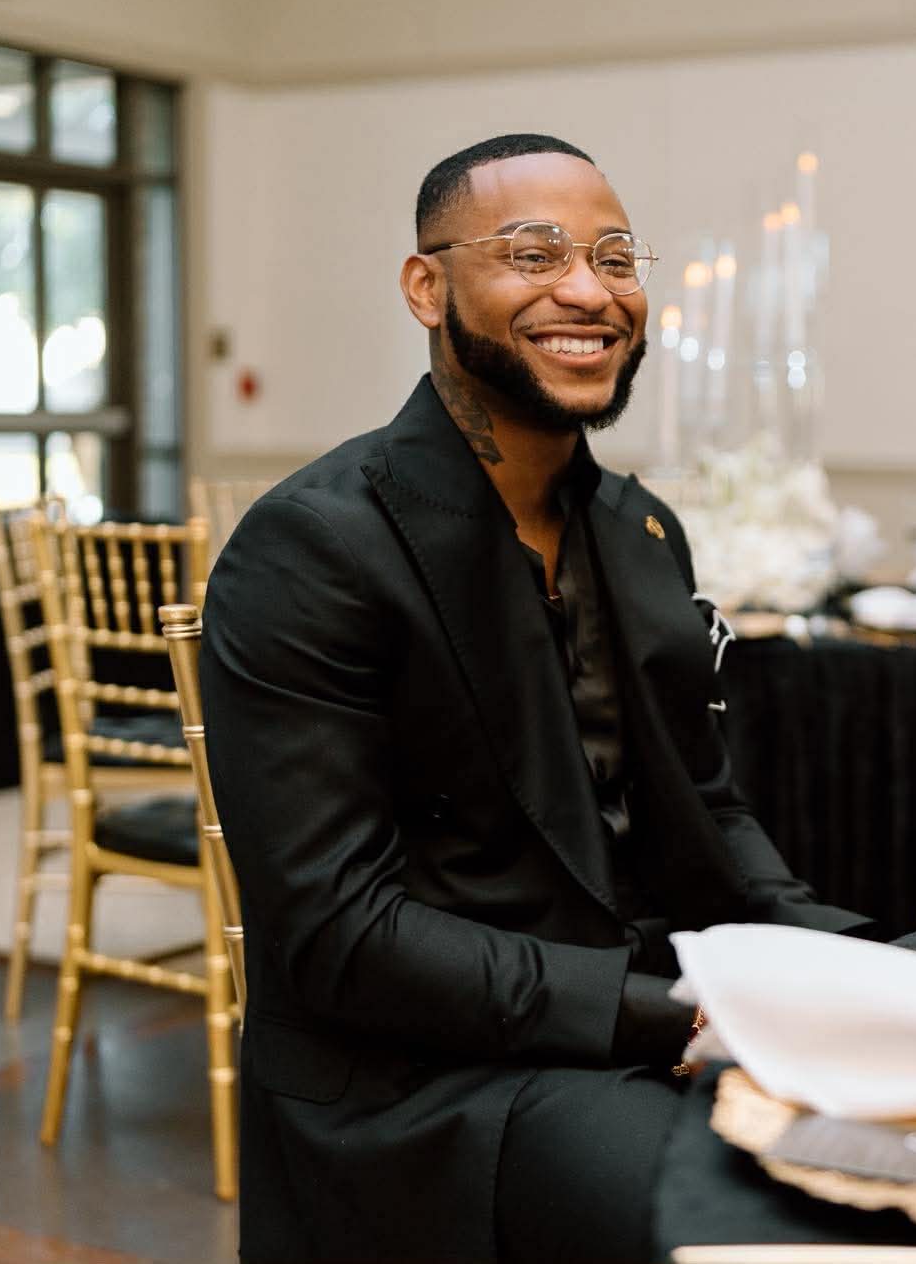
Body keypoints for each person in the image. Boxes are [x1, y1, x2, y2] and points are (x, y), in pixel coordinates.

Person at [199, 133, 868, 1264]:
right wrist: (673, 1012)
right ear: (427, 286)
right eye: (534, 253)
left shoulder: (638, 530)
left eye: (614, 257)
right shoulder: (313, 546)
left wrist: (852, 958)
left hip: (623, 1028)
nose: (587, 291)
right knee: (772, 1227)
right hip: (421, 1087)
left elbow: (707, 816)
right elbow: (339, 936)